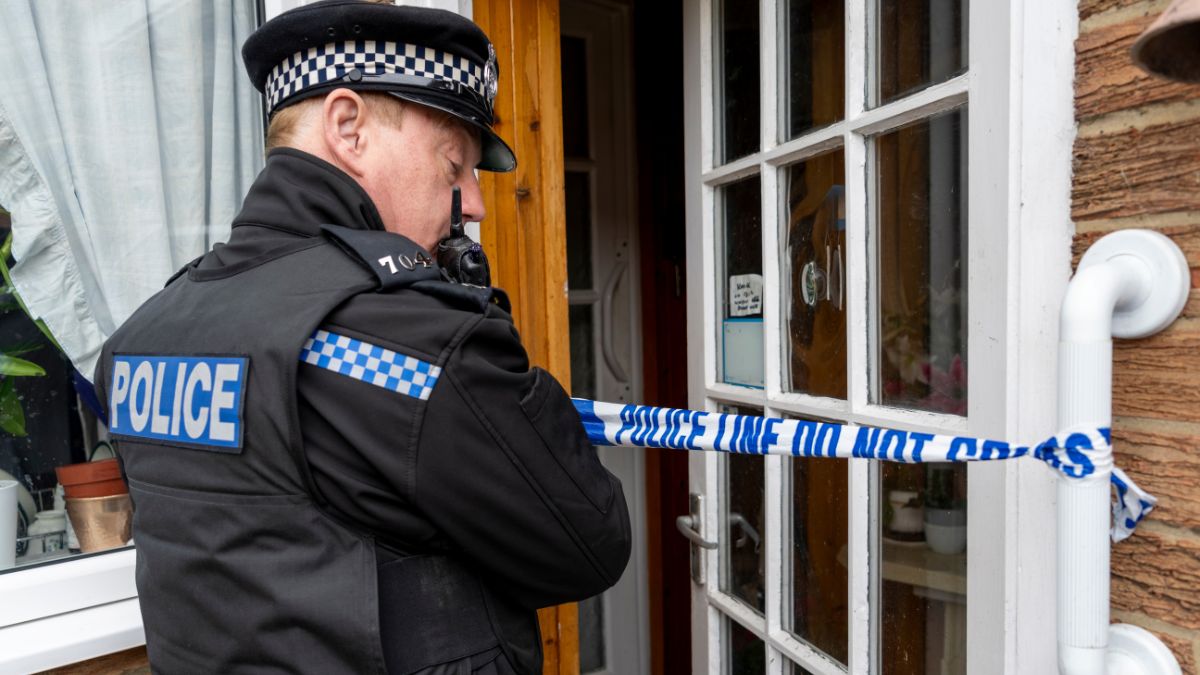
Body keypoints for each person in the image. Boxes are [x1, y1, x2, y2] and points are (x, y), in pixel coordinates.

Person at [93, 2, 632, 673]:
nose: (475, 202)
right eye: (453, 165)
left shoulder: (145, 337)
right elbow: (590, 539)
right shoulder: (410, 343)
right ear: (348, 128)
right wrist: (474, 327)